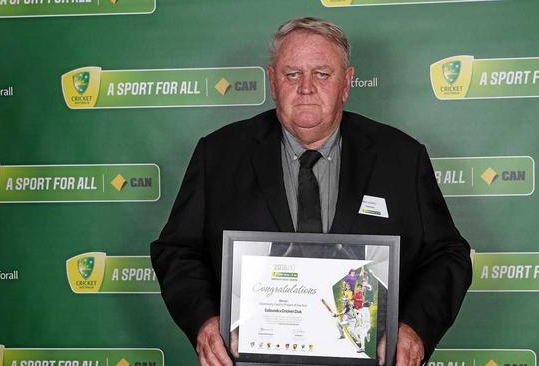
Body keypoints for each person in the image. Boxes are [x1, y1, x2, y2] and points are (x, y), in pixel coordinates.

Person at [151, 16, 472, 366]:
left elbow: (447, 255)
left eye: (322, 73)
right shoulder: (219, 155)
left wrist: (414, 329)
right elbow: (177, 250)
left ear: (346, 83)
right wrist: (206, 320)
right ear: (273, 82)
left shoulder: (401, 158)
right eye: (292, 74)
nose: (306, 87)